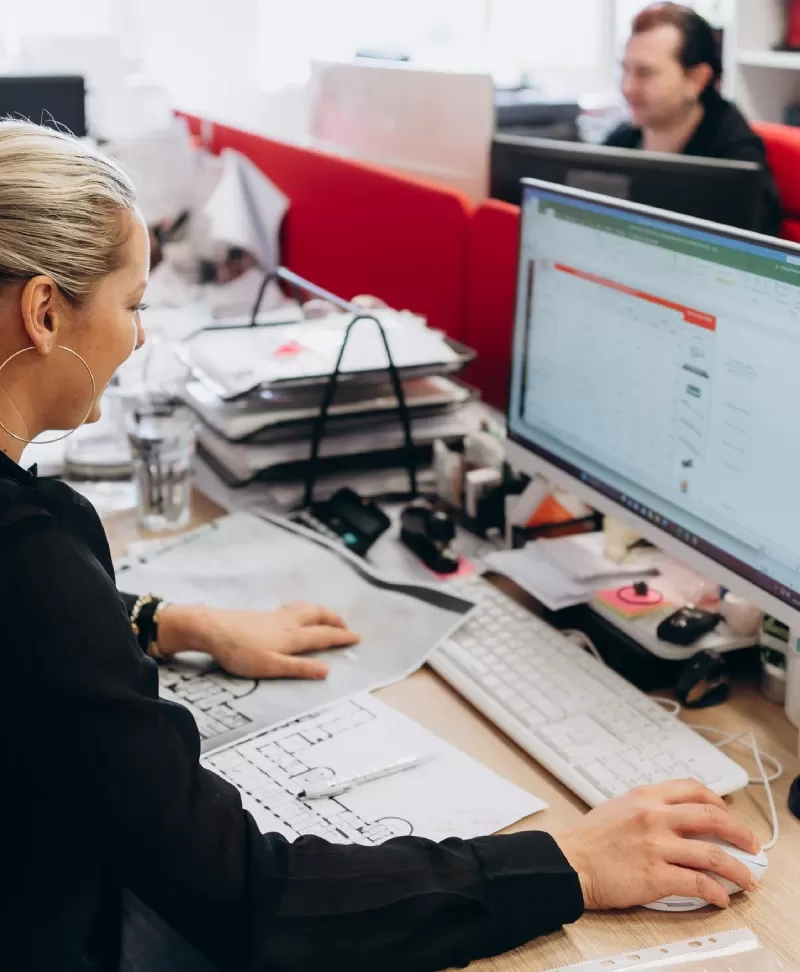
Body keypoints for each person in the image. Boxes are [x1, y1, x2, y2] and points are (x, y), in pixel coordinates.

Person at [0, 121, 762, 972]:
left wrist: (174, 621)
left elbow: (40, 640)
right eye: (133, 304)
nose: (140, 337)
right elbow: (252, 898)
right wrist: (570, 864)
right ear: (42, 311)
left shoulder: (32, 564)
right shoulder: (30, 565)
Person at [607, 2, 782, 237]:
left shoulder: (737, 165)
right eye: (625, 70)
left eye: (645, 73)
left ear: (696, 79)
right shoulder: (622, 141)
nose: (628, 87)